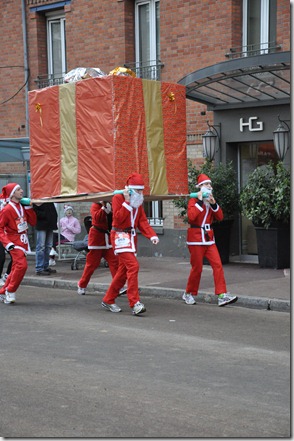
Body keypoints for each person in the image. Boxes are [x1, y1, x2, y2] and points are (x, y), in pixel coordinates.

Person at [101, 172, 159, 315]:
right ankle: (134, 303)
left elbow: (142, 221)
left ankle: (108, 299)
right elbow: (118, 219)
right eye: (138, 190)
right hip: (119, 235)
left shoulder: (138, 201)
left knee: (123, 271)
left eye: (141, 190)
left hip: (131, 237)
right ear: (130, 189)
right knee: (133, 266)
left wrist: (152, 235)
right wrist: (126, 202)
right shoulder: (117, 198)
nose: (140, 193)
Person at [182, 173, 237, 307]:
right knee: (197, 268)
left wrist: (213, 204)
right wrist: (200, 202)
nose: (210, 187)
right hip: (196, 239)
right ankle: (188, 293)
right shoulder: (194, 201)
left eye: (210, 184)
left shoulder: (210, 200)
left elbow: (220, 217)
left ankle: (222, 295)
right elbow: (192, 217)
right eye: (207, 184)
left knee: (217, 264)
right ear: (200, 187)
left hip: (209, 238)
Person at [77, 201, 126, 296]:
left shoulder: (111, 205)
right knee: (91, 265)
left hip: (108, 239)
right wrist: (104, 209)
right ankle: (82, 285)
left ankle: (118, 287)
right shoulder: (95, 206)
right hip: (97, 239)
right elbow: (97, 218)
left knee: (115, 263)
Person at [0, 183, 37, 304]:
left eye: (21, 189)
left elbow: (33, 222)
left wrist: (29, 208)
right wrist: (7, 243)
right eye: (18, 189)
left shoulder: (22, 206)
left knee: (16, 267)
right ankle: (10, 290)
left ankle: (3, 291)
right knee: (22, 266)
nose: (22, 191)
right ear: (12, 194)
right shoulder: (7, 209)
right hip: (13, 241)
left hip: (23, 240)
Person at [33, 202, 58, 276]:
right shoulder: (38, 197)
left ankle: (45, 266)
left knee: (48, 246)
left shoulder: (48, 197)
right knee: (41, 246)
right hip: (42, 224)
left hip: (50, 224)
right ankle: (39, 268)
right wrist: (45, 215)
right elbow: (35, 210)